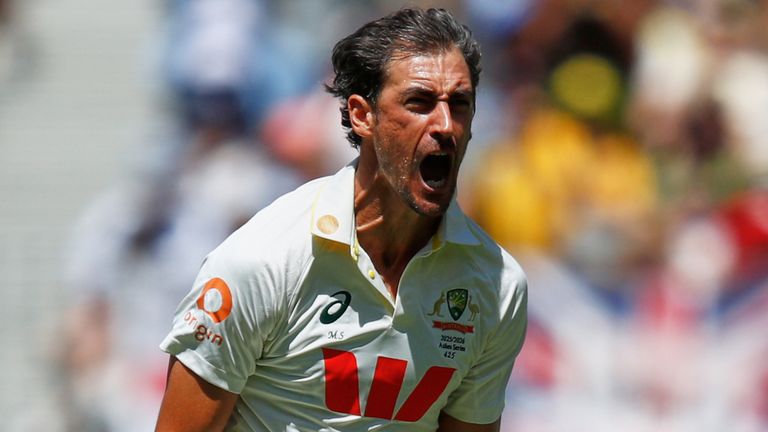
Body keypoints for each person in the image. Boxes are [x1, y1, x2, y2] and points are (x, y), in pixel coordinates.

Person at [155, 7, 528, 431]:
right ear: (362, 115)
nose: (445, 124)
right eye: (419, 102)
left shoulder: (496, 285)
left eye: (459, 104)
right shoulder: (263, 260)